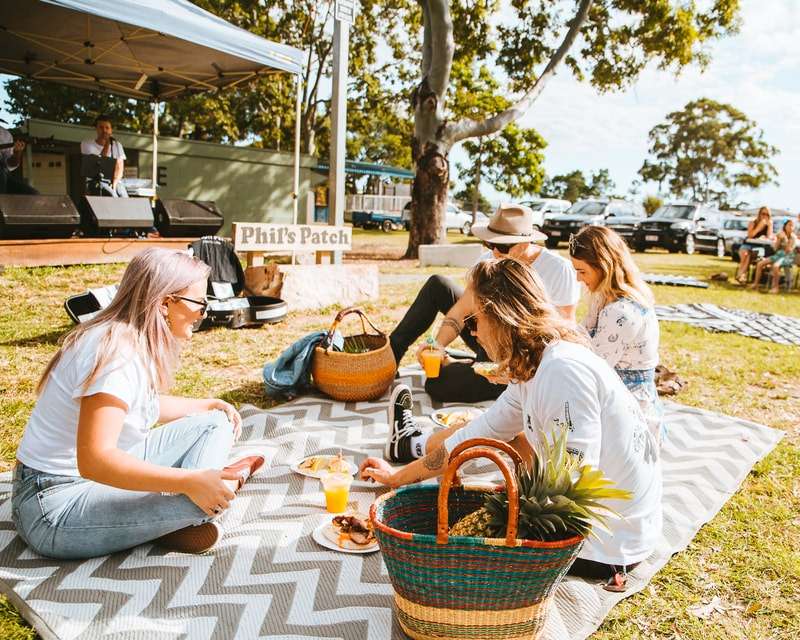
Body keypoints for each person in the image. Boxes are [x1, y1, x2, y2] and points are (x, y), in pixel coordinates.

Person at [367, 258, 662, 585]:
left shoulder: (562, 372)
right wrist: (397, 478)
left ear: (502, 317)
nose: (473, 332)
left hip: (606, 545)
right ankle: (409, 443)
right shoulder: (536, 363)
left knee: (445, 558)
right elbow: (473, 436)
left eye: (475, 320)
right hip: (605, 525)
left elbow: (570, 483)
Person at [12, 248, 263, 560]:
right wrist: (189, 481)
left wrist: (207, 404)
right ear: (164, 303)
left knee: (215, 420)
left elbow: (139, 407)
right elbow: (95, 461)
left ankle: (166, 514)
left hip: (91, 482)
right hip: (53, 508)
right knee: (202, 502)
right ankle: (201, 497)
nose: (203, 313)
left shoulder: (126, 337)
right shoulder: (116, 355)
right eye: (200, 302)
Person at [389, 203, 580, 404]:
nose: (495, 252)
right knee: (437, 284)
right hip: (486, 337)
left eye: (503, 246)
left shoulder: (558, 269)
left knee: (436, 383)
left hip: (521, 353)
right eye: (490, 244)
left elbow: (564, 329)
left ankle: (474, 368)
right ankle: (390, 357)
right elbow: (461, 310)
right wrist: (437, 346)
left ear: (525, 242)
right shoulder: (486, 262)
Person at [568, 226, 664, 444]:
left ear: (603, 266)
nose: (578, 278)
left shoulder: (621, 312)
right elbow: (581, 333)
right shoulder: (604, 296)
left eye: (582, 271)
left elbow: (593, 367)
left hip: (630, 409)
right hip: (613, 392)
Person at [81, 114, 128, 197]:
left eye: (107, 128)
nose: (104, 130)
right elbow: (101, 164)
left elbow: (119, 166)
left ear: (111, 130)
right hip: (96, 181)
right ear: (96, 129)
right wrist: (107, 143)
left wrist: (114, 184)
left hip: (114, 181)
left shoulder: (117, 145)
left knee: (124, 197)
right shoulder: (87, 144)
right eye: (101, 127)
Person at [749, 218, 797, 293]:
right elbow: (775, 249)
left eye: (792, 226)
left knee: (775, 266)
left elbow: (788, 250)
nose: (791, 227)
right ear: (785, 226)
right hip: (778, 255)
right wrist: (778, 239)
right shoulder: (780, 234)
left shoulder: (793, 237)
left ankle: (775, 287)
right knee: (760, 264)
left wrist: (785, 239)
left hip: (787, 257)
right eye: (789, 225)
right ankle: (755, 284)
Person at [735, 207, 774, 284]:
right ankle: (741, 276)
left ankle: (740, 275)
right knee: (745, 255)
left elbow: (769, 237)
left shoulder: (769, 224)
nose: (765, 216)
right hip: (748, 244)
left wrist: (769, 226)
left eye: (767, 215)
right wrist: (759, 227)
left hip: (759, 247)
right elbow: (750, 235)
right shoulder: (752, 222)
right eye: (763, 214)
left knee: (749, 255)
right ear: (759, 214)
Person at [0, 125, 39, 195]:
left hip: (2, 175)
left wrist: (17, 153)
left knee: (32, 194)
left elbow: (10, 165)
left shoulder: (5, 134)